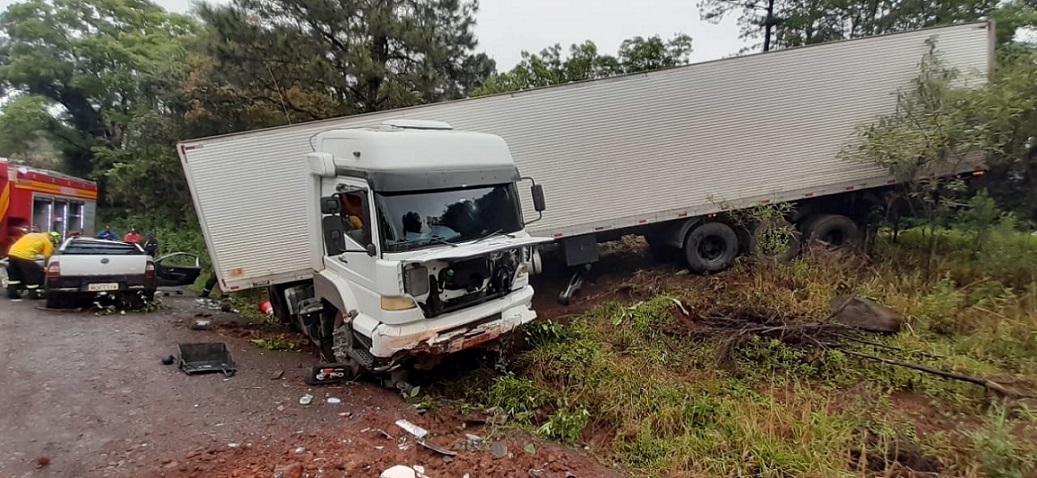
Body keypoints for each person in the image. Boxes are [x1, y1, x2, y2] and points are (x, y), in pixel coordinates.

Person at [6, 231, 59, 301]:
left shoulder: (32, 234)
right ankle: (33, 294)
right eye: (54, 242)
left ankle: (12, 293)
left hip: (12, 254)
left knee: (14, 276)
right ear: (53, 239)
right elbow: (47, 257)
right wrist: (46, 267)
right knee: (33, 274)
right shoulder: (48, 242)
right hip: (25, 257)